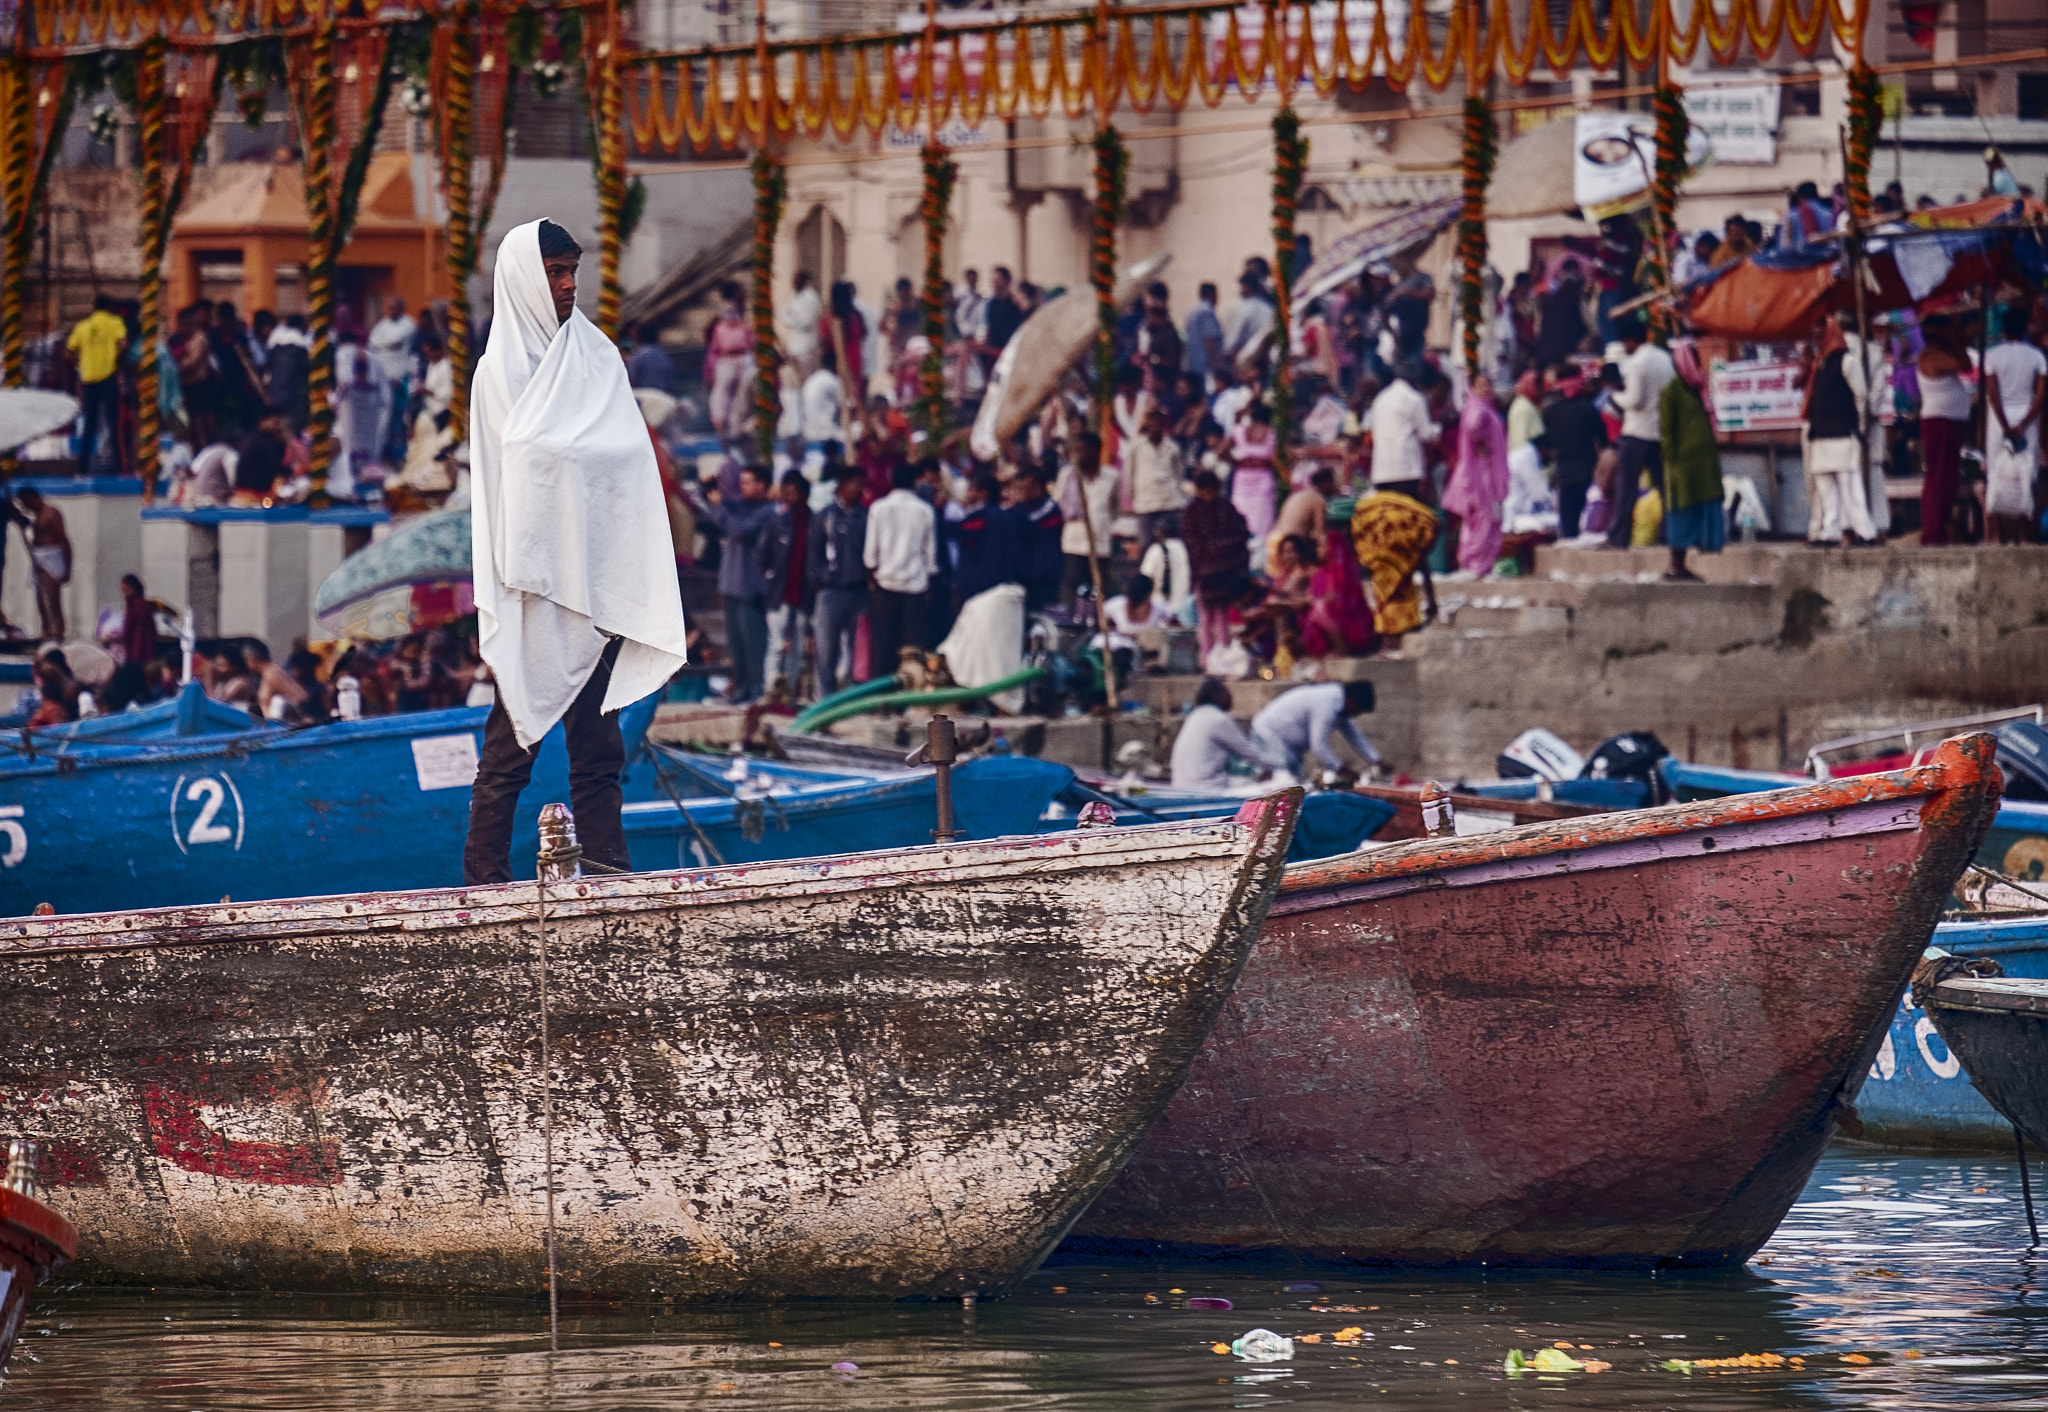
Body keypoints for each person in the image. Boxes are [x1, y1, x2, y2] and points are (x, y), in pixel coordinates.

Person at [463, 218, 690, 886]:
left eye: (572, 272)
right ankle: (482, 880)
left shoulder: (596, 359)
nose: (566, 286)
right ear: (525, 279)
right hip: (534, 592)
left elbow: (624, 465)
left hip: (593, 587)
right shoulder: (497, 376)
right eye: (555, 273)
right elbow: (516, 480)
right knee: (510, 749)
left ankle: (610, 874)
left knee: (598, 751)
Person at [689, 460, 784, 702]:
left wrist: (720, 507)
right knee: (736, 645)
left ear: (763, 486)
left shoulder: (766, 514)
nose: (743, 488)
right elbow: (712, 514)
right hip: (730, 585)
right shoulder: (737, 507)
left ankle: (754, 689)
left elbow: (740, 530)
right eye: (741, 483)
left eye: (749, 483)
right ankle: (741, 688)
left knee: (753, 645)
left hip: (750, 588)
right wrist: (708, 488)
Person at [1802, 311, 1879, 547]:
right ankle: (1830, 531)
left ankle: (1865, 532)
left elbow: (1861, 395)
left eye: (1820, 333)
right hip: (1821, 433)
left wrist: (1860, 427)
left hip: (1842, 432)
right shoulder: (1819, 363)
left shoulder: (1848, 361)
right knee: (1826, 489)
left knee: (1850, 486)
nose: (1816, 338)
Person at [864, 459, 937, 682]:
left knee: (882, 647)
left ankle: (880, 700)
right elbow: (930, 555)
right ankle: (910, 696)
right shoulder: (925, 510)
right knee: (913, 648)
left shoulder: (878, 508)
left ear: (891, 481)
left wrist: (872, 579)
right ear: (915, 483)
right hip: (915, 586)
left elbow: (870, 554)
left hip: (884, 585)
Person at [1606, 316, 1675, 549]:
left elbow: (1634, 400)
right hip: (1661, 431)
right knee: (1665, 488)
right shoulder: (1665, 358)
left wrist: (1615, 397)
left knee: (1626, 488)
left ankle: (1619, 537)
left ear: (1630, 341)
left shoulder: (1637, 363)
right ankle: (1672, 534)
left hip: (1636, 433)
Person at [1660, 341, 1726, 580]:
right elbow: (1668, 432)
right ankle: (1676, 565)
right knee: (1682, 512)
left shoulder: (1698, 389)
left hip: (1703, 466)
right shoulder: (1672, 391)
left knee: (1701, 510)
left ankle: (1682, 566)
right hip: (1683, 467)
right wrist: (1673, 466)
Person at [1351, 473, 1438, 655]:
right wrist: (1431, 601)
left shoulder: (1381, 550)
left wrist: (1431, 601)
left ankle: (1391, 648)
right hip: (1401, 609)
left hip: (1403, 609)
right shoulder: (1396, 553)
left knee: (1394, 630)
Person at [1984, 306, 2047, 543]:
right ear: (2026, 328)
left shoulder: (1993, 355)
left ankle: (1998, 534)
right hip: (2026, 419)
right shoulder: (2036, 356)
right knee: (2025, 474)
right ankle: (2022, 534)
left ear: (2003, 328)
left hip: (1999, 420)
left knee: (1996, 473)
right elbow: (2040, 395)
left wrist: (2005, 425)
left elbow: (1992, 393)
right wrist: (2022, 424)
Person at [807, 461, 869, 697]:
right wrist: (823, 580)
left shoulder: (865, 516)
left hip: (859, 592)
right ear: (843, 486)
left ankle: (853, 699)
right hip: (830, 592)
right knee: (826, 652)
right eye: (857, 485)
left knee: (858, 652)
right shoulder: (825, 517)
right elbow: (813, 554)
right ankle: (825, 699)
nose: (861, 491)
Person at [1443, 372, 1510, 577]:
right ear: (1472, 388)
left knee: (1478, 520)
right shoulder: (1478, 409)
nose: (1486, 389)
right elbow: (1474, 426)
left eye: (1488, 384)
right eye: (1481, 385)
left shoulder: (1484, 408)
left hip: (1482, 472)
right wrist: (1481, 442)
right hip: (1481, 474)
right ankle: (1477, 564)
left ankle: (1477, 564)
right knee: (1484, 519)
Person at [1249, 679, 1382, 781]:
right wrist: (1341, 770)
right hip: (1269, 736)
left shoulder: (1340, 706)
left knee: (1292, 785)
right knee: (1278, 784)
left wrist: (1376, 761)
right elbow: (1318, 746)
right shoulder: (1327, 702)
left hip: (1287, 746)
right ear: (1350, 701)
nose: (1357, 715)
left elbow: (1355, 736)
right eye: (1358, 710)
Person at [1183, 469, 1251, 661]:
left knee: (1221, 615)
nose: (1208, 496)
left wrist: (1213, 552)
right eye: (1204, 492)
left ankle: (1223, 659)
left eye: (1211, 491)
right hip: (1202, 574)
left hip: (1224, 574)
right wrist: (1214, 554)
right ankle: (1206, 660)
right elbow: (1192, 543)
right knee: (1205, 617)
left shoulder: (1227, 508)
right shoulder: (1191, 512)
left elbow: (1239, 535)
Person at [1916, 313, 1972, 546]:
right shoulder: (1930, 357)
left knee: (1948, 478)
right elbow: (1965, 364)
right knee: (1937, 478)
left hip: (1949, 421)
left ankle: (1940, 529)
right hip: (1938, 422)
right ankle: (1933, 532)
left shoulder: (1941, 353)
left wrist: (1955, 335)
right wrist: (1954, 338)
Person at [1170, 678, 1284, 791]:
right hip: (1206, 788)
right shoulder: (1217, 719)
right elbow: (1248, 751)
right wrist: (1278, 768)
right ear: (1217, 695)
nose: (1230, 696)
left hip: (1180, 786)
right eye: (1225, 691)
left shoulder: (1194, 716)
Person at [1054, 431, 1121, 610]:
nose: (1078, 455)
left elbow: (1115, 509)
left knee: (1098, 591)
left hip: (1100, 546)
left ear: (1095, 451)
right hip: (1073, 544)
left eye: (1082, 450)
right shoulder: (1067, 476)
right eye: (1076, 451)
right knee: (1072, 589)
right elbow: (1059, 504)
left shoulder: (1111, 476)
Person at [1542, 362, 1608, 538]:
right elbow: (1603, 439)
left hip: (1564, 470)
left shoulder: (1551, 412)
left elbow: (1548, 441)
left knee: (1568, 521)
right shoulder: (1589, 409)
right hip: (1587, 469)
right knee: (1589, 518)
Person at [66, 294, 128, 474]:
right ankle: (119, 467)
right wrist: (113, 358)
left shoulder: (82, 326)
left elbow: (69, 351)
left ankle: (82, 467)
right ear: (109, 307)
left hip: (88, 379)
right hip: (108, 377)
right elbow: (123, 344)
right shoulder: (114, 322)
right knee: (114, 422)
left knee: (89, 425)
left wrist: (81, 364)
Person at [765, 469, 811, 697]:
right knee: (776, 646)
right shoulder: (779, 521)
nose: (788, 497)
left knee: (798, 649)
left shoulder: (814, 521)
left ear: (803, 494)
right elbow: (762, 554)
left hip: (804, 594)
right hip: (780, 593)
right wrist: (771, 577)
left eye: (792, 493)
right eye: (786, 493)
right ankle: (771, 693)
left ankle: (790, 695)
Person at [1368, 360, 1440, 490]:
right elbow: (1426, 434)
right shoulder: (1414, 398)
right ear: (1414, 379)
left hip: (1382, 469)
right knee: (1404, 508)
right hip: (1406, 469)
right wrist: (1440, 427)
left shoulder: (1381, 398)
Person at [12, 488, 69, 641]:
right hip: (38, 556)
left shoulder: (51, 513)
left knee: (52, 597)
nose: (25, 507)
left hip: (52, 556)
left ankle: (58, 632)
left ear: (33, 498)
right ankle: (45, 629)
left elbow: (64, 540)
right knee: (40, 597)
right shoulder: (35, 515)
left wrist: (67, 567)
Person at [1126, 401, 1185, 549]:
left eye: (1158, 424)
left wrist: (1176, 491)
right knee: (1145, 545)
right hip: (1145, 501)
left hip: (1169, 500)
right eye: (1152, 424)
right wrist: (1134, 495)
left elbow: (1179, 473)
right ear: (1147, 425)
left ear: (1163, 426)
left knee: (1172, 543)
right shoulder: (1137, 446)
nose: (1155, 428)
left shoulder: (1173, 447)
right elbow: (1129, 472)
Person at [1009, 463, 1065, 614]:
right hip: (1022, 574)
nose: (1020, 492)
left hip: (1044, 574)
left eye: (1023, 487)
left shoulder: (1051, 510)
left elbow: (1031, 530)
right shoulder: (1020, 509)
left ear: (1037, 486)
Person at [705, 281, 755, 443]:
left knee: (740, 398)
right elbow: (729, 323)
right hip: (726, 358)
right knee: (721, 397)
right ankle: (722, 432)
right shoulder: (726, 310)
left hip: (743, 357)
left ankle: (737, 432)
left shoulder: (743, 315)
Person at [1268, 464, 1333, 576]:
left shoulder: (1298, 494)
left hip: (1272, 540)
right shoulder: (1318, 498)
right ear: (1326, 483)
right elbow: (1320, 533)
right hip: (1288, 547)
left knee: (1279, 583)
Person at [105, 573, 157, 710]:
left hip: (137, 653)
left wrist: (118, 637)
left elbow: (130, 630)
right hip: (138, 652)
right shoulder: (140, 605)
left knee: (132, 681)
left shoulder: (137, 606)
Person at [1534, 260, 1587, 367]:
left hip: (1545, 354)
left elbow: (1537, 331)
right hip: (1567, 354)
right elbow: (1592, 326)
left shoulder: (1546, 301)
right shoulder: (1577, 299)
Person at [264, 313, 312, 429]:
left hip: (275, 397)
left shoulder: (275, 345)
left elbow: (268, 372)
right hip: (294, 399)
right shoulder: (300, 346)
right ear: (300, 326)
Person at [234, 412, 290, 503]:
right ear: (262, 421)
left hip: (243, 492)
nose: (278, 427)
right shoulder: (264, 441)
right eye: (275, 423)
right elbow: (278, 469)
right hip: (256, 494)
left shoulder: (253, 438)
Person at [1224, 271, 1275, 369]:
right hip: (1265, 362)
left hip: (1246, 362)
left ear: (1247, 287)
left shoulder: (1243, 308)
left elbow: (1232, 343)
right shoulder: (1270, 307)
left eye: (1242, 287)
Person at [1184, 281, 1226, 391]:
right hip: (1205, 368)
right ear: (1212, 295)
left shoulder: (1192, 312)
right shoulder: (1207, 312)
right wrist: (1216, 366)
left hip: (1192, 365)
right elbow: (1209, 341)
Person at [783, 270, 822, 378]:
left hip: (806, 346)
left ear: (804, 281)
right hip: (793, 346)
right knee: (795, 379)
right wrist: (795, 320)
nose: (793, 283)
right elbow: (785, 318)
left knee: (807, 379)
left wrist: (793, 320)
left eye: (796, 280)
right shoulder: (793, 297)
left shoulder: (811, 297)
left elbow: (807, 321)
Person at [1506, 369, 1544, 452]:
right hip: (1524, 459)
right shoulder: (1523, 408)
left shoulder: (1524, 403)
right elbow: (1521, 442)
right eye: (1538, 386)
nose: (1541, 390)